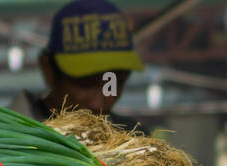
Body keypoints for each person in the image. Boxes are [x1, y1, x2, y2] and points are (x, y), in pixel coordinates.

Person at [9, 0, 145, 126]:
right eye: (85, 84)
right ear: (48, 69)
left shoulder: (136, 139)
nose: (99, 104)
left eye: (113, 83)